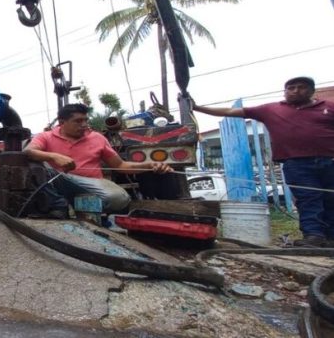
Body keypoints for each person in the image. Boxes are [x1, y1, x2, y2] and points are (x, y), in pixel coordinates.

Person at [193, 76, 334, 247]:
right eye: (291, 88)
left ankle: (330, 238)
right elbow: (230, 112)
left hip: (330, 161)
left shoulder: (328, 107)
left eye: (301, 87)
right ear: (285, 92)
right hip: (297, 164)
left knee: (330, 198)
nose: (295, 91)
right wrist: (196, 107)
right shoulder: (271, 109)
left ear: (312, 91)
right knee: (308, 198)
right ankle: (314, 236)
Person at [24, 104, 172, 219]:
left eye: (85, 120)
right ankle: (58, 205)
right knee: (35, 166)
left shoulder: (97, 138)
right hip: (61, 180)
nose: (84, 124)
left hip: (92, 184)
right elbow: (28, 151)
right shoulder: (45, 136)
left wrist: (150, 166)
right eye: (78, 121)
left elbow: (120, 165)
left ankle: (74, 206)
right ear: (62, 122)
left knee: (119, 199)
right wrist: (54, 156)